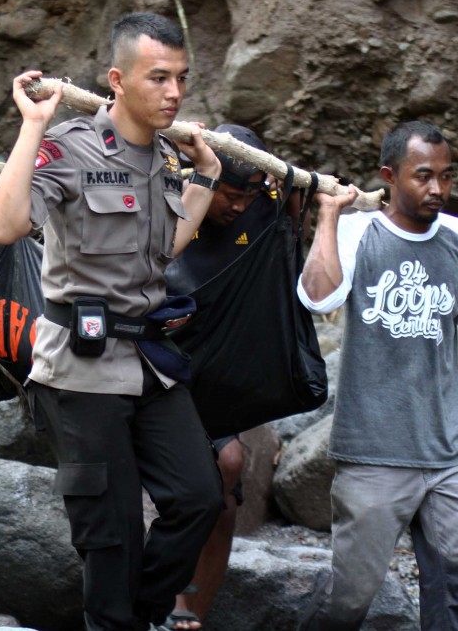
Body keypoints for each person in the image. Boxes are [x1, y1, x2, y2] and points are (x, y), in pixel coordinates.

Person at [0, 12, 225, 631]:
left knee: (199, 497)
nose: (174, 93)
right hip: (79, 369)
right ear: (117, 80)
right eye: (158, 78)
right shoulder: (71, 149)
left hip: (148, 364)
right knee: (111, 534)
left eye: (181, 79)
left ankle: (135, 616)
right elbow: (4, 227)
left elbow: (164, 247)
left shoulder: (169, 158)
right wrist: (33, 129)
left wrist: (205, 179)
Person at [296, 120, 458, 630]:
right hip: (374, 451)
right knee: (349, 597)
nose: (437, 188)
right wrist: (328, 218)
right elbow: (318, 296)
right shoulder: (358, 232)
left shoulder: (457, 238)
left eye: (446, 176)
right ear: (389, 176)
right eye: (422, 176)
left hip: (450, 451)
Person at [163, 124, 299, 630]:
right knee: (181, 486)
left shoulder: (260, 214)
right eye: (230, 194)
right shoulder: (172, 195)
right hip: (153, 361)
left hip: (215, 371)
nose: (238, 206)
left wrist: (293, 194)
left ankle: (192, 615)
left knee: (227, 475)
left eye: (248, 196)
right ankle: (169, 605)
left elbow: (292, 213)